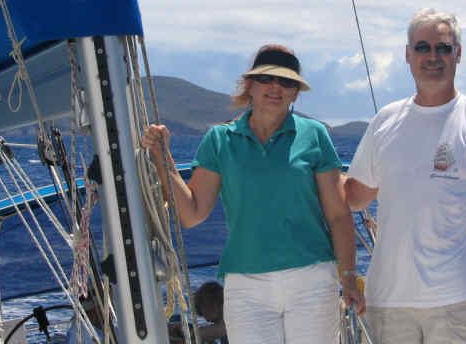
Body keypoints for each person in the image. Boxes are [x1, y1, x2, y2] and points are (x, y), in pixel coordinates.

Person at [143, 44, 365, 344]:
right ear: (249, 85)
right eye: (266, 79)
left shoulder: (314, 135)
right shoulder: (220, 140)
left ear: (295, 93)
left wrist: (348, 275)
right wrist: (163, 158)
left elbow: (338, 215)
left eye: (286, 81)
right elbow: (192, 214)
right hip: (246, 288)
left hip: (312, 280)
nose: (276, 87)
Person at [344, 9, 466, 344]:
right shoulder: (384, 122)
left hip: (460, 302)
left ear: (458, 53)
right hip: (390, 303)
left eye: (443, 48)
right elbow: (355, 197)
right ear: (408, 55)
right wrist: (312, 167)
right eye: (423, 47)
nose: (433, 56)